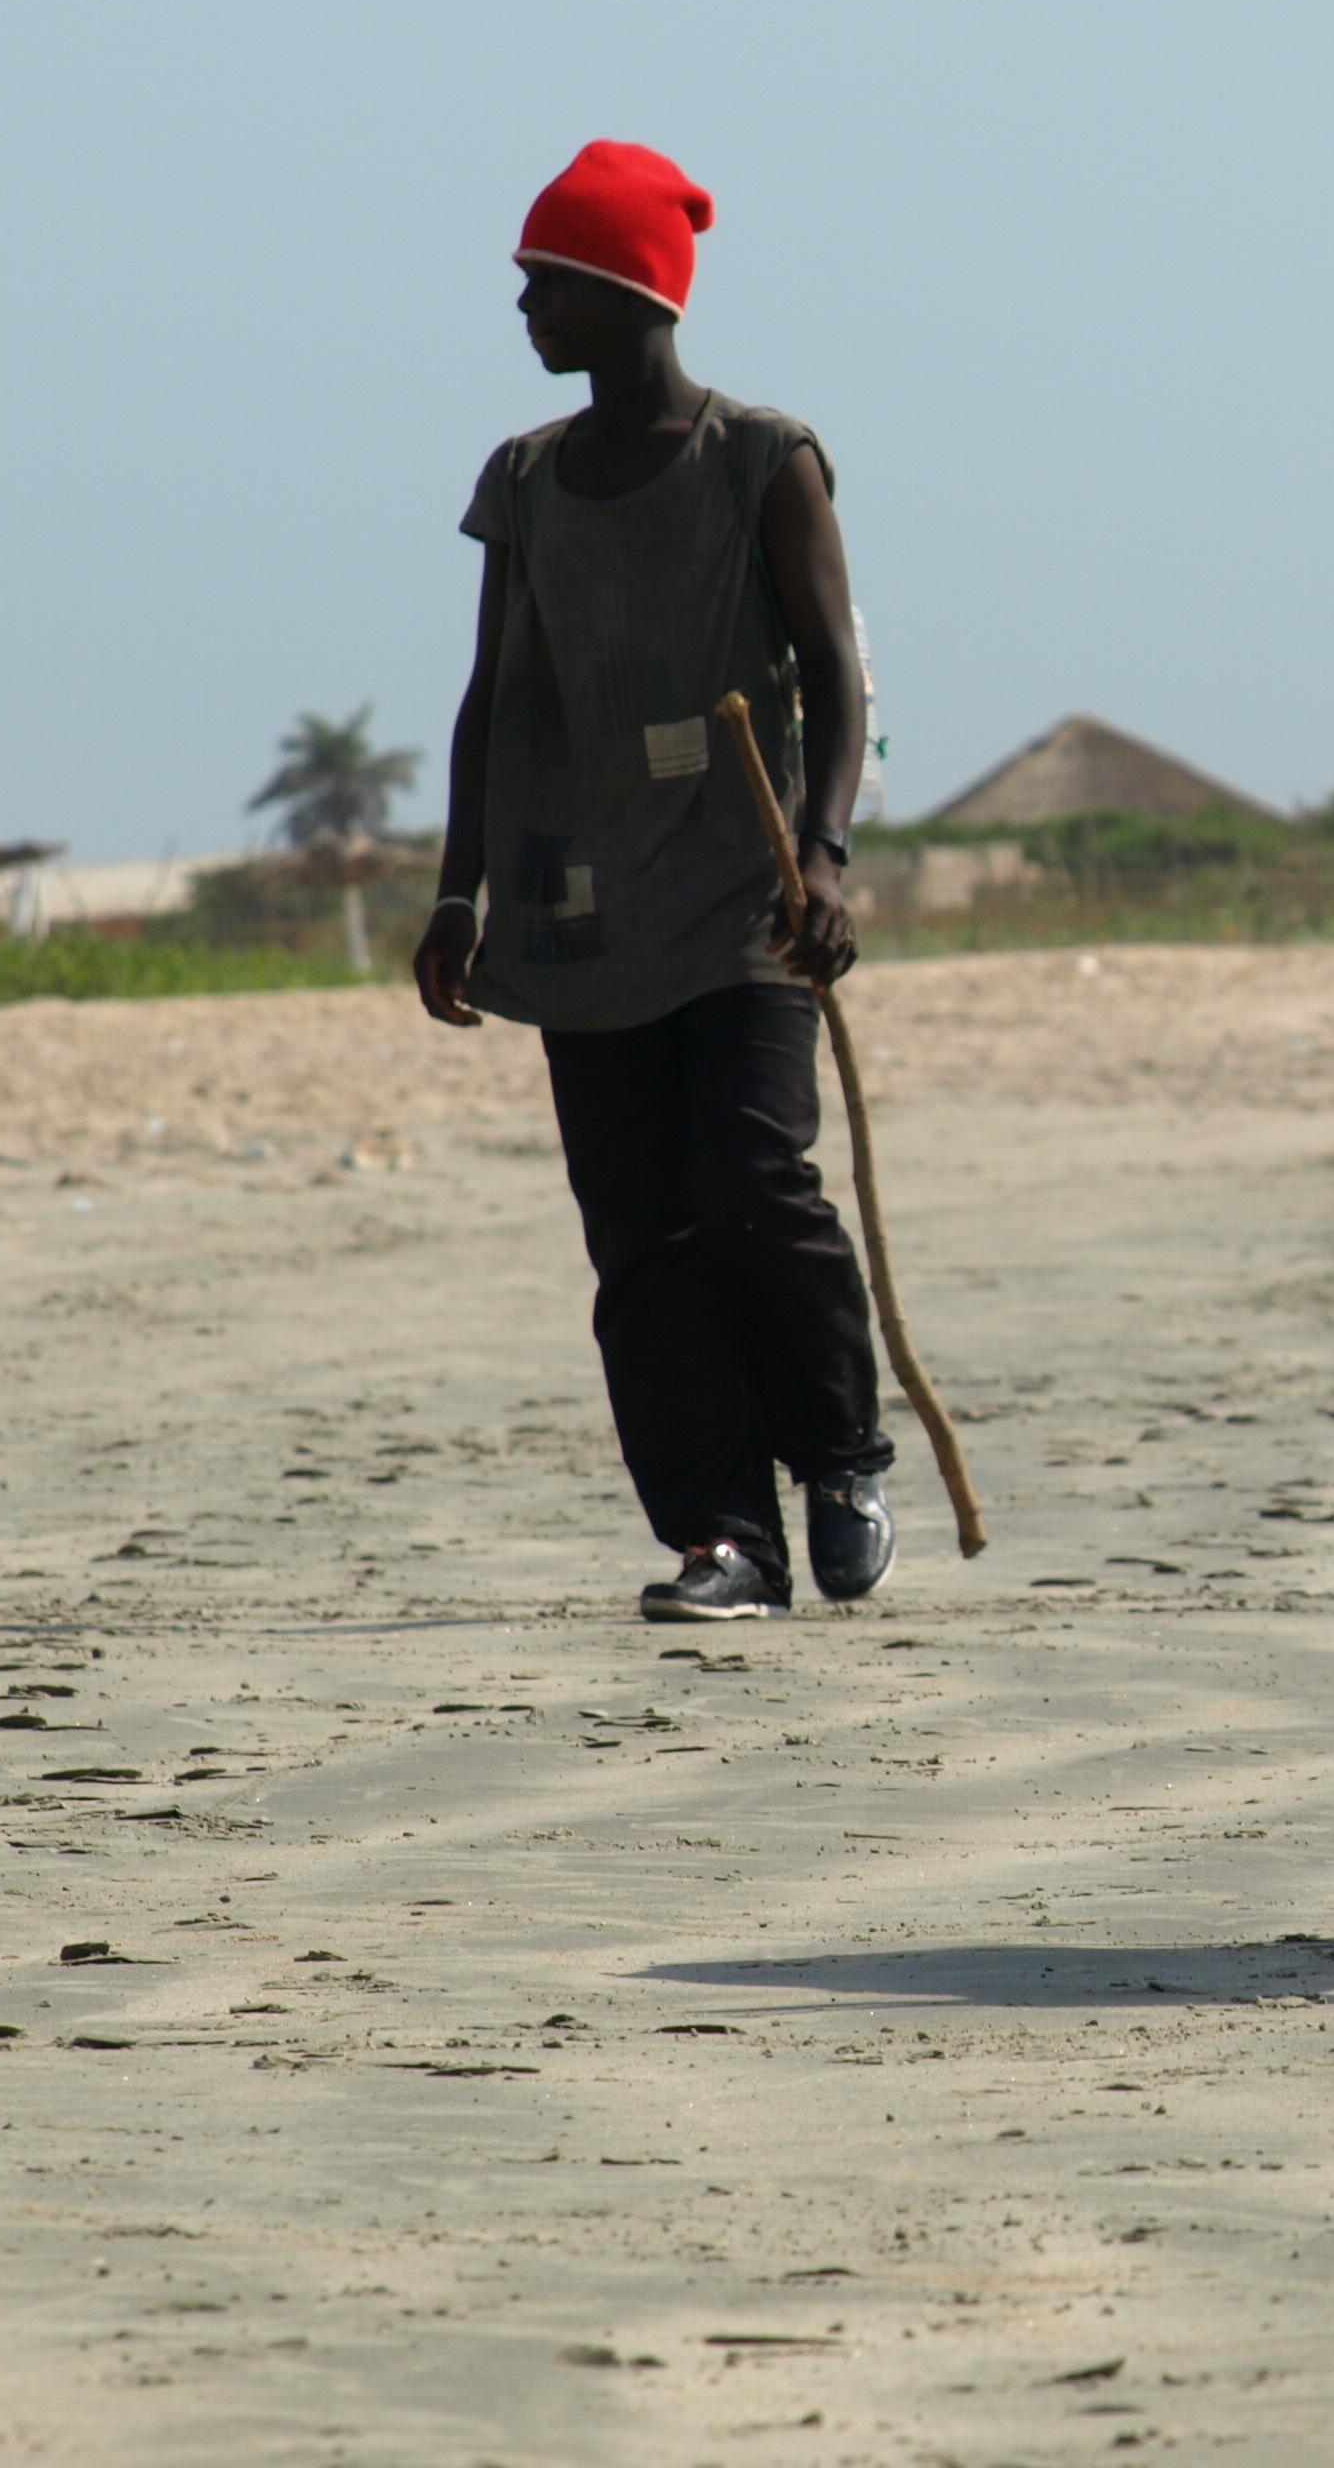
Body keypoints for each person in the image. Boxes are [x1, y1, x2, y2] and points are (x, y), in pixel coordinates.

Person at [414, 139, 896, 1623]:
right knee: (639, 1236)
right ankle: (721, 1538)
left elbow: (836, 679)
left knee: (753, 1179)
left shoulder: (764, 459)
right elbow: (493, 696)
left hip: (746, 903)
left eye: (545, 280)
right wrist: (458, 893)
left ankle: (838, 1455)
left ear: (629, 291)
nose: (523, 307)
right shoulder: (527, 481)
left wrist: (821, 861)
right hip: (580, 914)